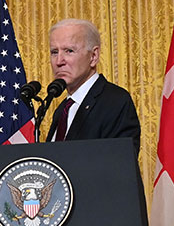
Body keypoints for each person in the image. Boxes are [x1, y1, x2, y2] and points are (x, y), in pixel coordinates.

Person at [46, 18, 141, 153]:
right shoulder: (62, 110)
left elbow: (120, 164)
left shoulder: (115, 101)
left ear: (93, 56)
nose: (59, 61)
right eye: (54, 52)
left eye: (69, 51)